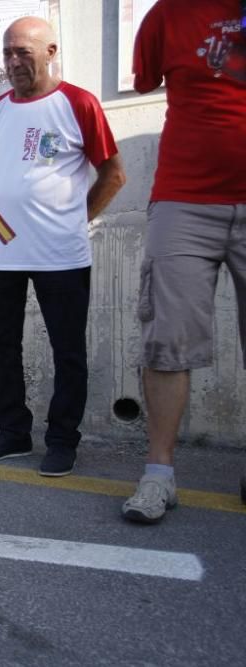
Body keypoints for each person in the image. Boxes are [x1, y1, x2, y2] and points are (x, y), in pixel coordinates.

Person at [0, 17, 126, 476]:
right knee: (1, 346)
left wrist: (74, 220)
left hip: (61, 255)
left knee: (67, 350)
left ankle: (62, 440)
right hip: (0, 254)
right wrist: (4, 219)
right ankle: (13, 432)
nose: (14, 62)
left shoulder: (79, 103)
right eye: (8, 53)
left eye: (24, 52)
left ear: (51, 51)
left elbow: (114, 174)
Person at [122, 0, 246, 522]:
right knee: (167, 339)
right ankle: (159, 475)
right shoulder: (167, 15)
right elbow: (147, 81)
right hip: (184, 198)